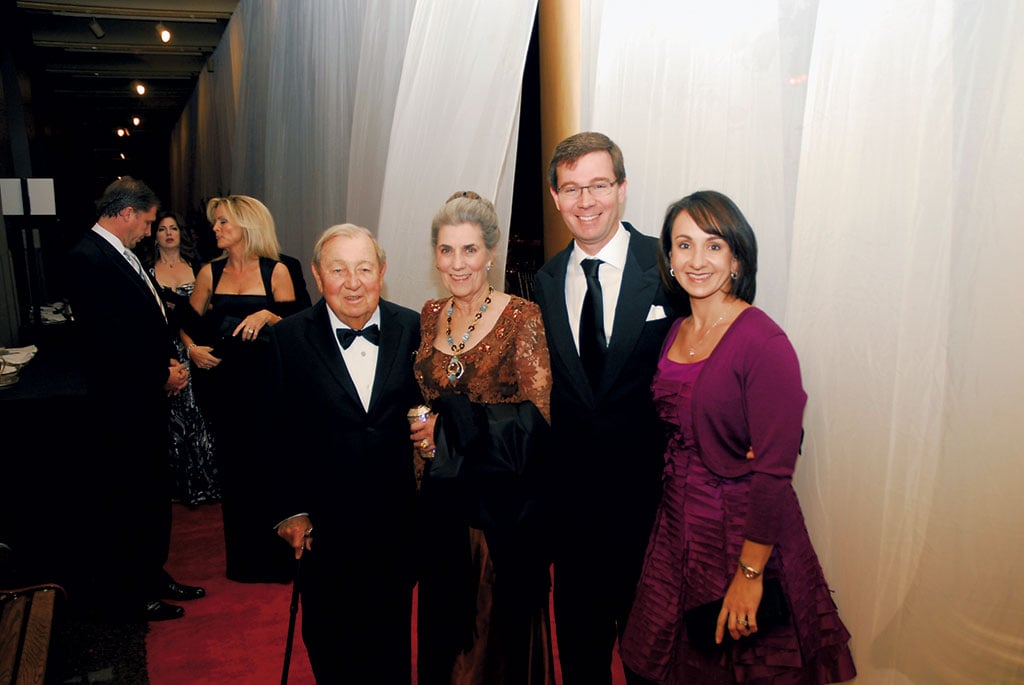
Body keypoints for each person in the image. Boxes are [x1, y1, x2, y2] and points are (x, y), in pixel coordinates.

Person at [619, 190, 857, 683]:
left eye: (713, 245)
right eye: (683, 245)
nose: (697, 260)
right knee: (655, 662)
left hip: (741, 539)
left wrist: (750, 577)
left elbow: (773, 471)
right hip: (676, 530)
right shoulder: (676, 330)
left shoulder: (762, 340)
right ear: (669, 257)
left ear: (737, 258)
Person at [533, 132, 675, 684]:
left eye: (598, 185)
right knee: (582, 660)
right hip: (574, 523)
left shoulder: (667, 264)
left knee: (655, 664)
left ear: (621, 189)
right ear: (554, 197)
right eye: (571, 189)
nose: (585, 201)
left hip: (655, 515)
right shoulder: (544, 282)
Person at [410, 191, 556, 684]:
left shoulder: (522, 317)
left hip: (496, 521)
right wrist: (425, 432)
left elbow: (537, 422)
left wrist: (449, 427)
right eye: (447, 250)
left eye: (469, 250)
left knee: (488, 653)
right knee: (444, 643)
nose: (457, 263)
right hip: (439, 509)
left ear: (492, 253)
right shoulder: (429, 314)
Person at [268, 224, 422, 683]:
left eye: (364, 268)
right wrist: (288, 512)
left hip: (396, 524)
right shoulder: (288, 339)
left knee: (392, 641)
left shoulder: (413, 327)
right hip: (324, 529)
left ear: (382, 271)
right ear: (318, 275)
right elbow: (271, 434)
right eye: (338, 270)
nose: (352, 282)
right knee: (332, 643)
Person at [66, 176, 205, 622]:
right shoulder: (88, 257)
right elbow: (107, 341)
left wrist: (167, 362)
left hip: (145, 397)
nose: (150, 231)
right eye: (146, 222)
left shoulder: (120, 253)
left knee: (150, 493)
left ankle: (153, 572)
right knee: (130, 498)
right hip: (124, 403)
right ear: (125, 213)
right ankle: (134, 591)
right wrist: (158, 374)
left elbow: (146, 320)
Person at [183, 194, 297, 583]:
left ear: (246, 226)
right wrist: (191, 348)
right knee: (236, 470)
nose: (215, 229)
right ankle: (245, 563)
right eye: (215, 223)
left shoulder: (276, 271)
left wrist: (268, 313)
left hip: (268, 385)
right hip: (226, 385)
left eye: (223, 223)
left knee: (271, 465)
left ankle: (279, 560)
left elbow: (297, 326)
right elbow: (185, 320)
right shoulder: (208, 273)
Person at [142, 211, 219, 506]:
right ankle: (180, 485)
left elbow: (209, 310)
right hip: (166, 350)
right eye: (162, 229)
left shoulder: (199, 267)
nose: (169, 233)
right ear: (155, 235)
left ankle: (208, 482)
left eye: (173, 227)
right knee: (175, 415)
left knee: (201, 412)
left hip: (197, 346)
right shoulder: (146, 271)